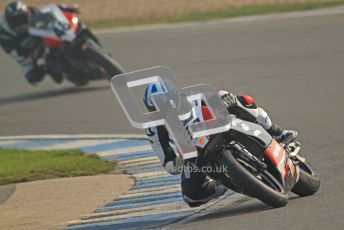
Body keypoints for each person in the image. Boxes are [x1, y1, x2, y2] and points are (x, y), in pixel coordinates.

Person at [144, 81, 298, 207]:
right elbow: (167, 159)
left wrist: (226, 99)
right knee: (192, 197)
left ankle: (276, 132)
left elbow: (218, 95)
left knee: (243, 101)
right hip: (196, 153)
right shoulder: (154, 129)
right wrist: (180, 162)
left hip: (220, 126)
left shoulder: (193, 95)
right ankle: (225, 185)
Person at [0, 1, 62, 85]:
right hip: (23, 47)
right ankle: (47, 68)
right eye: (16, 21)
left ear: (27, 14)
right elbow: (13, 52)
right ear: (8, 21)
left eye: (22, 19)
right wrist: (27, 56)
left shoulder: (33, 11)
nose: (20, 24)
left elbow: (50, 17)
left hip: (39, 36)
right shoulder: (4, 33)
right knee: (33, 78)